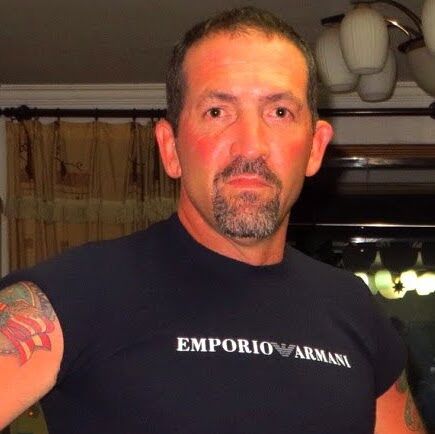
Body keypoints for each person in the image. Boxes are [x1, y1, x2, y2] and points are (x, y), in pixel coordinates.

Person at [0, 7, 427, 434]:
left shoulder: (354, 309)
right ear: (170, 149)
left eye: (279, 112)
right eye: (217, 112)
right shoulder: (70, 293)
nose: (251, 145)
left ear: (315, 148)